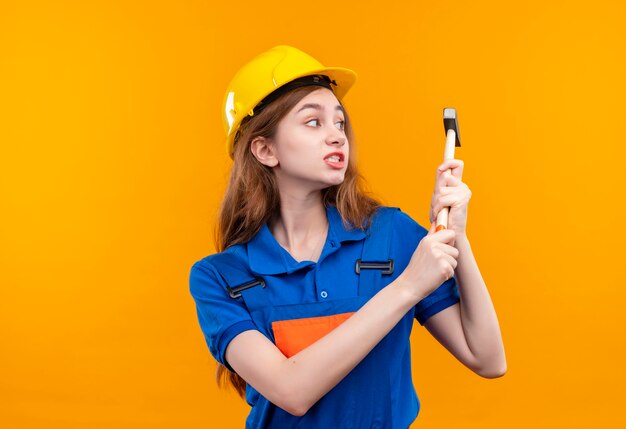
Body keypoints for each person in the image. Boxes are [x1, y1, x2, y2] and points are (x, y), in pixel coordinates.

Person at [189, 45, 506, 429]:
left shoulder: (392, 235)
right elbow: (292, 391)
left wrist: (458, 238)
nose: (337, 136)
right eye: (313, 122)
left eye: (339, 123)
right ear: (265, 149)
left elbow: (488, 360)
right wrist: (407, 287)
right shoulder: (219, 278)